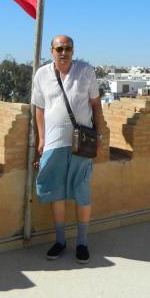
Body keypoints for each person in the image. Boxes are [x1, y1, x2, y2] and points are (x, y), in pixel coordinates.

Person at [31, 35, 104, 263]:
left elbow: (95, 105)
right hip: (54, 143)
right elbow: (40, 109)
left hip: (81, 143)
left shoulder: (85, 71)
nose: (64, 53)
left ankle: (82, 242)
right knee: (57, 193)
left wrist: (99, 135)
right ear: (51, 51)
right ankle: (60, 241)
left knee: (81, 190)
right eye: (60, 48)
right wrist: (42, 139)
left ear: (73, 51)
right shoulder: (42, 74)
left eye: (68, 49)